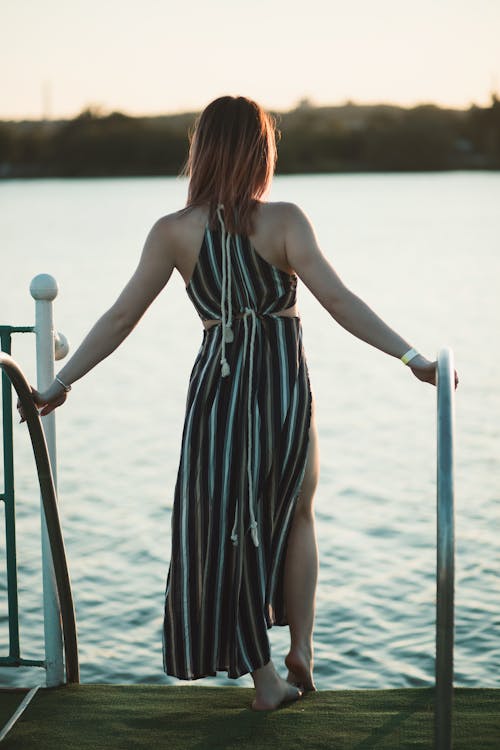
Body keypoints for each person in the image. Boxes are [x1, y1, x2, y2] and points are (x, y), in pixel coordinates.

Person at [19, 95, 457, 711]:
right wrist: (412, 357)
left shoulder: (173, 232)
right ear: (260, 151)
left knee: (227, 527)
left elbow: (121, 316)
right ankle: (300, 649)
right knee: (297, 513)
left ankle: (265, 677)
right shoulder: (284, 220)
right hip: (280, 384)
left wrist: (64, 382)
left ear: (200, 152)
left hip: (218, 392)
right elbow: (337, 298)